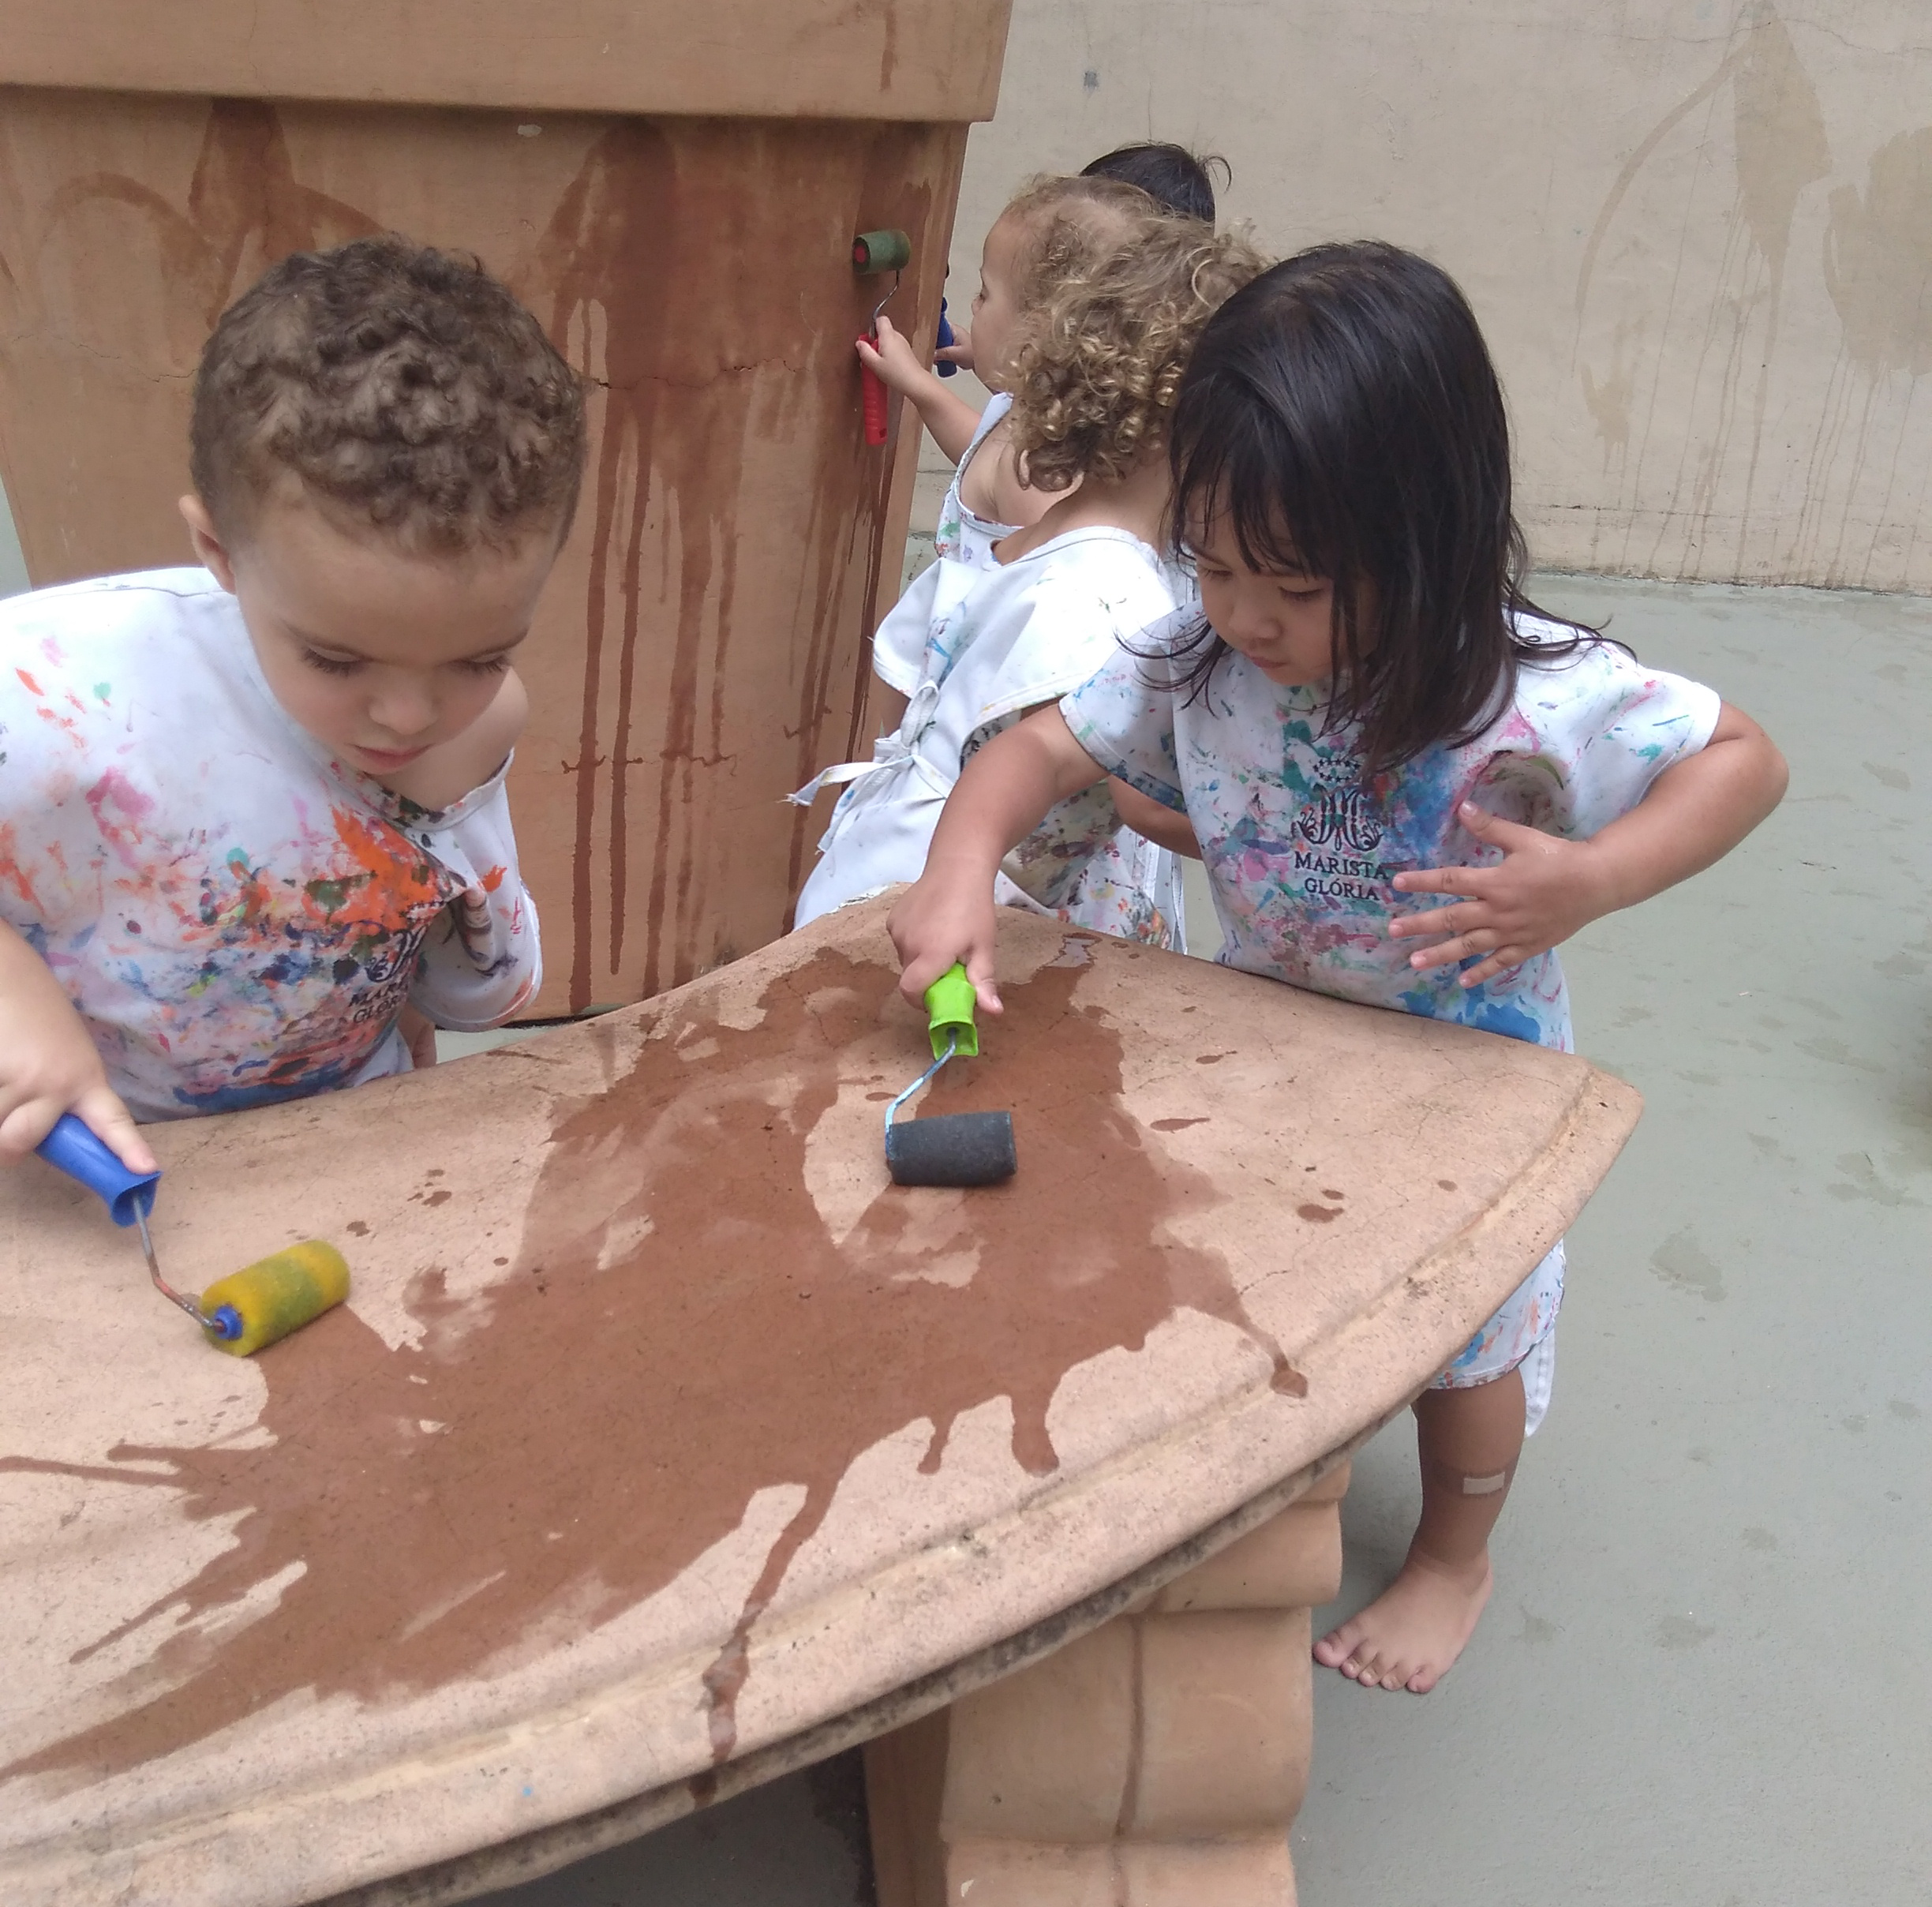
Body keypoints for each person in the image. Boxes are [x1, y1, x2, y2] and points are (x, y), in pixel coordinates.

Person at [885, 241, 1788, 1694]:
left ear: (1421, 544)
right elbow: (1036, 745)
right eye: (1217, 564)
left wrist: (1590, 881)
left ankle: (1451, 1555)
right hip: (1278, 1060)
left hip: (1470, 1090)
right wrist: (955, 871)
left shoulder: (1539, 692)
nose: (1245, 617)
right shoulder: (1207, 659)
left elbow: (1745, 759)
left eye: (1291, 586)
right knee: (1260, 1284)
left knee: (1467, 1364)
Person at [0, 234, 585, 1174]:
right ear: (219, 550)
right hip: (96, 1156)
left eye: (479, 657)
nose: (406, 716)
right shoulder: (52, 695)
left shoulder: (477, 728)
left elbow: (462, 982)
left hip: (342, 1144)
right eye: (335, 658)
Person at [792, 180, 1264, 944]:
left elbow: (902, 668)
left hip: (882, 866)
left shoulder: (1034, 549)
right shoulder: (1116, 603)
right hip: (967, 924)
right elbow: (1133, 800)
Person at [862, 145, 1227, 570]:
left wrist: (918, 385)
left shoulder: (1044, 466)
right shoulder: (1072, 418)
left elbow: (995, 464)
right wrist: (977, 352)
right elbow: (985, 459)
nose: (975, 304)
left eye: (985, 293)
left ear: (1044, 327)